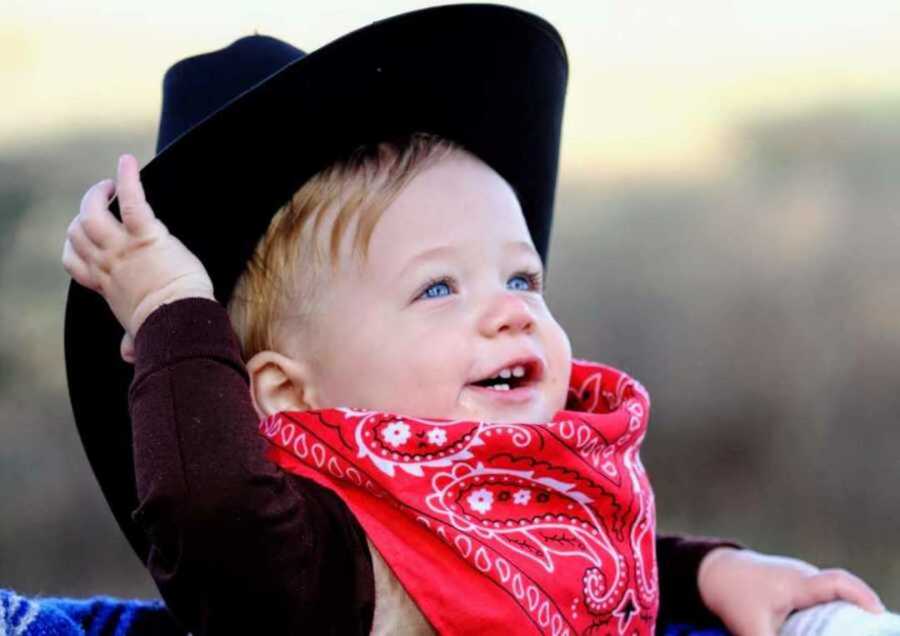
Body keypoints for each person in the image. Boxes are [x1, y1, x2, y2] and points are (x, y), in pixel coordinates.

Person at [61, 6, 885, 636]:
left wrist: (716, 573)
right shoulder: (323, 563)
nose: (509, 310)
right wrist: (175, 311)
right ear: (281, 393)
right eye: (436, 289)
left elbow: (582, 571)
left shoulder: (529, 497)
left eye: (522, 275)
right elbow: (213, 519)